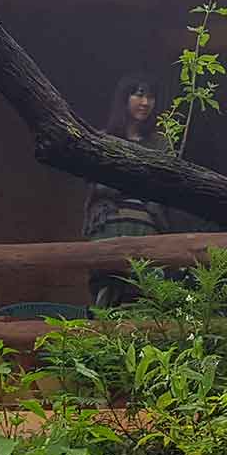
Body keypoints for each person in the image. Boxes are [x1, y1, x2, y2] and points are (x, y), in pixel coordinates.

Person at [82, 72, 172, 308]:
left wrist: (122, 179)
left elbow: (162, 188)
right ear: (124, 98)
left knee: (145, 297)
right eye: (139, 95)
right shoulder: (102, 139)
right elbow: (97, 184)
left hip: (145, 225)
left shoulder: (160, 144)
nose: (145, 103)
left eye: (151, 97)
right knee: (106, 297)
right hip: (110, 225)